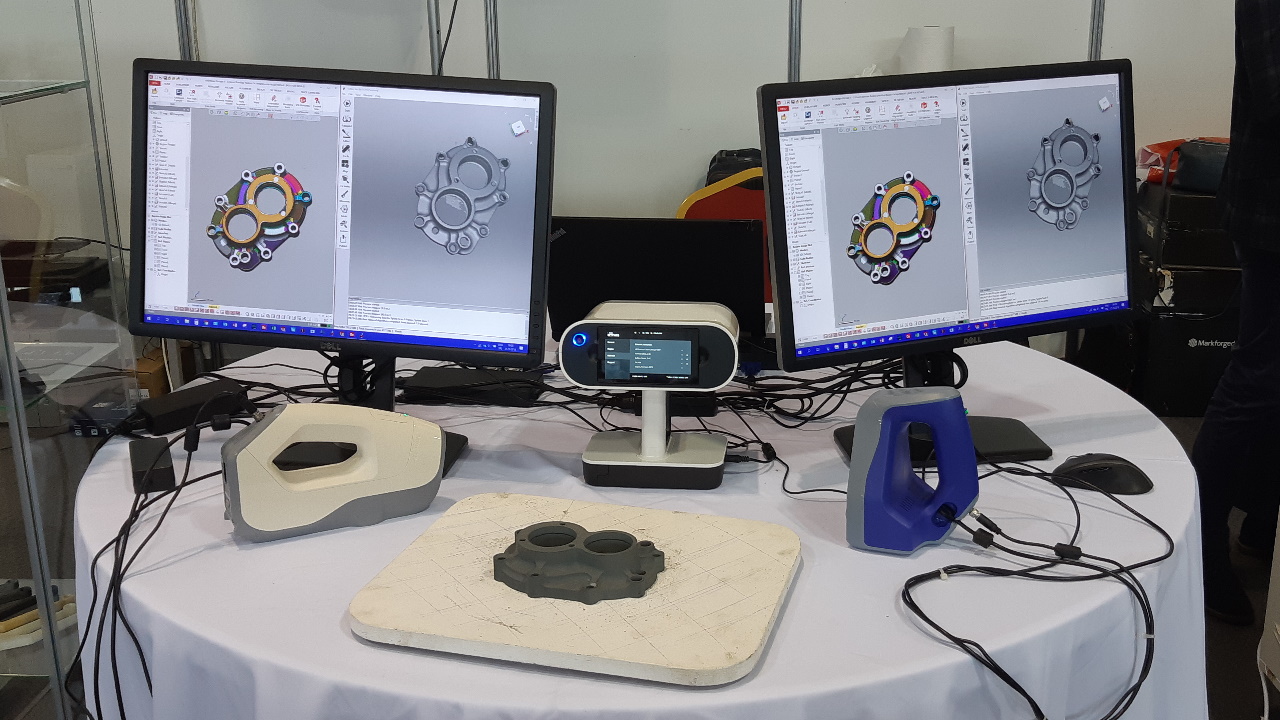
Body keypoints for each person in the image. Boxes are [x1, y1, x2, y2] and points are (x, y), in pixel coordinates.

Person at [1192, 0, 1280, 626]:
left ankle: (1261, 521)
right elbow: (1275, 93)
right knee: (1256, 379)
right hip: (1272, 216)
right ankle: (1200, 545)